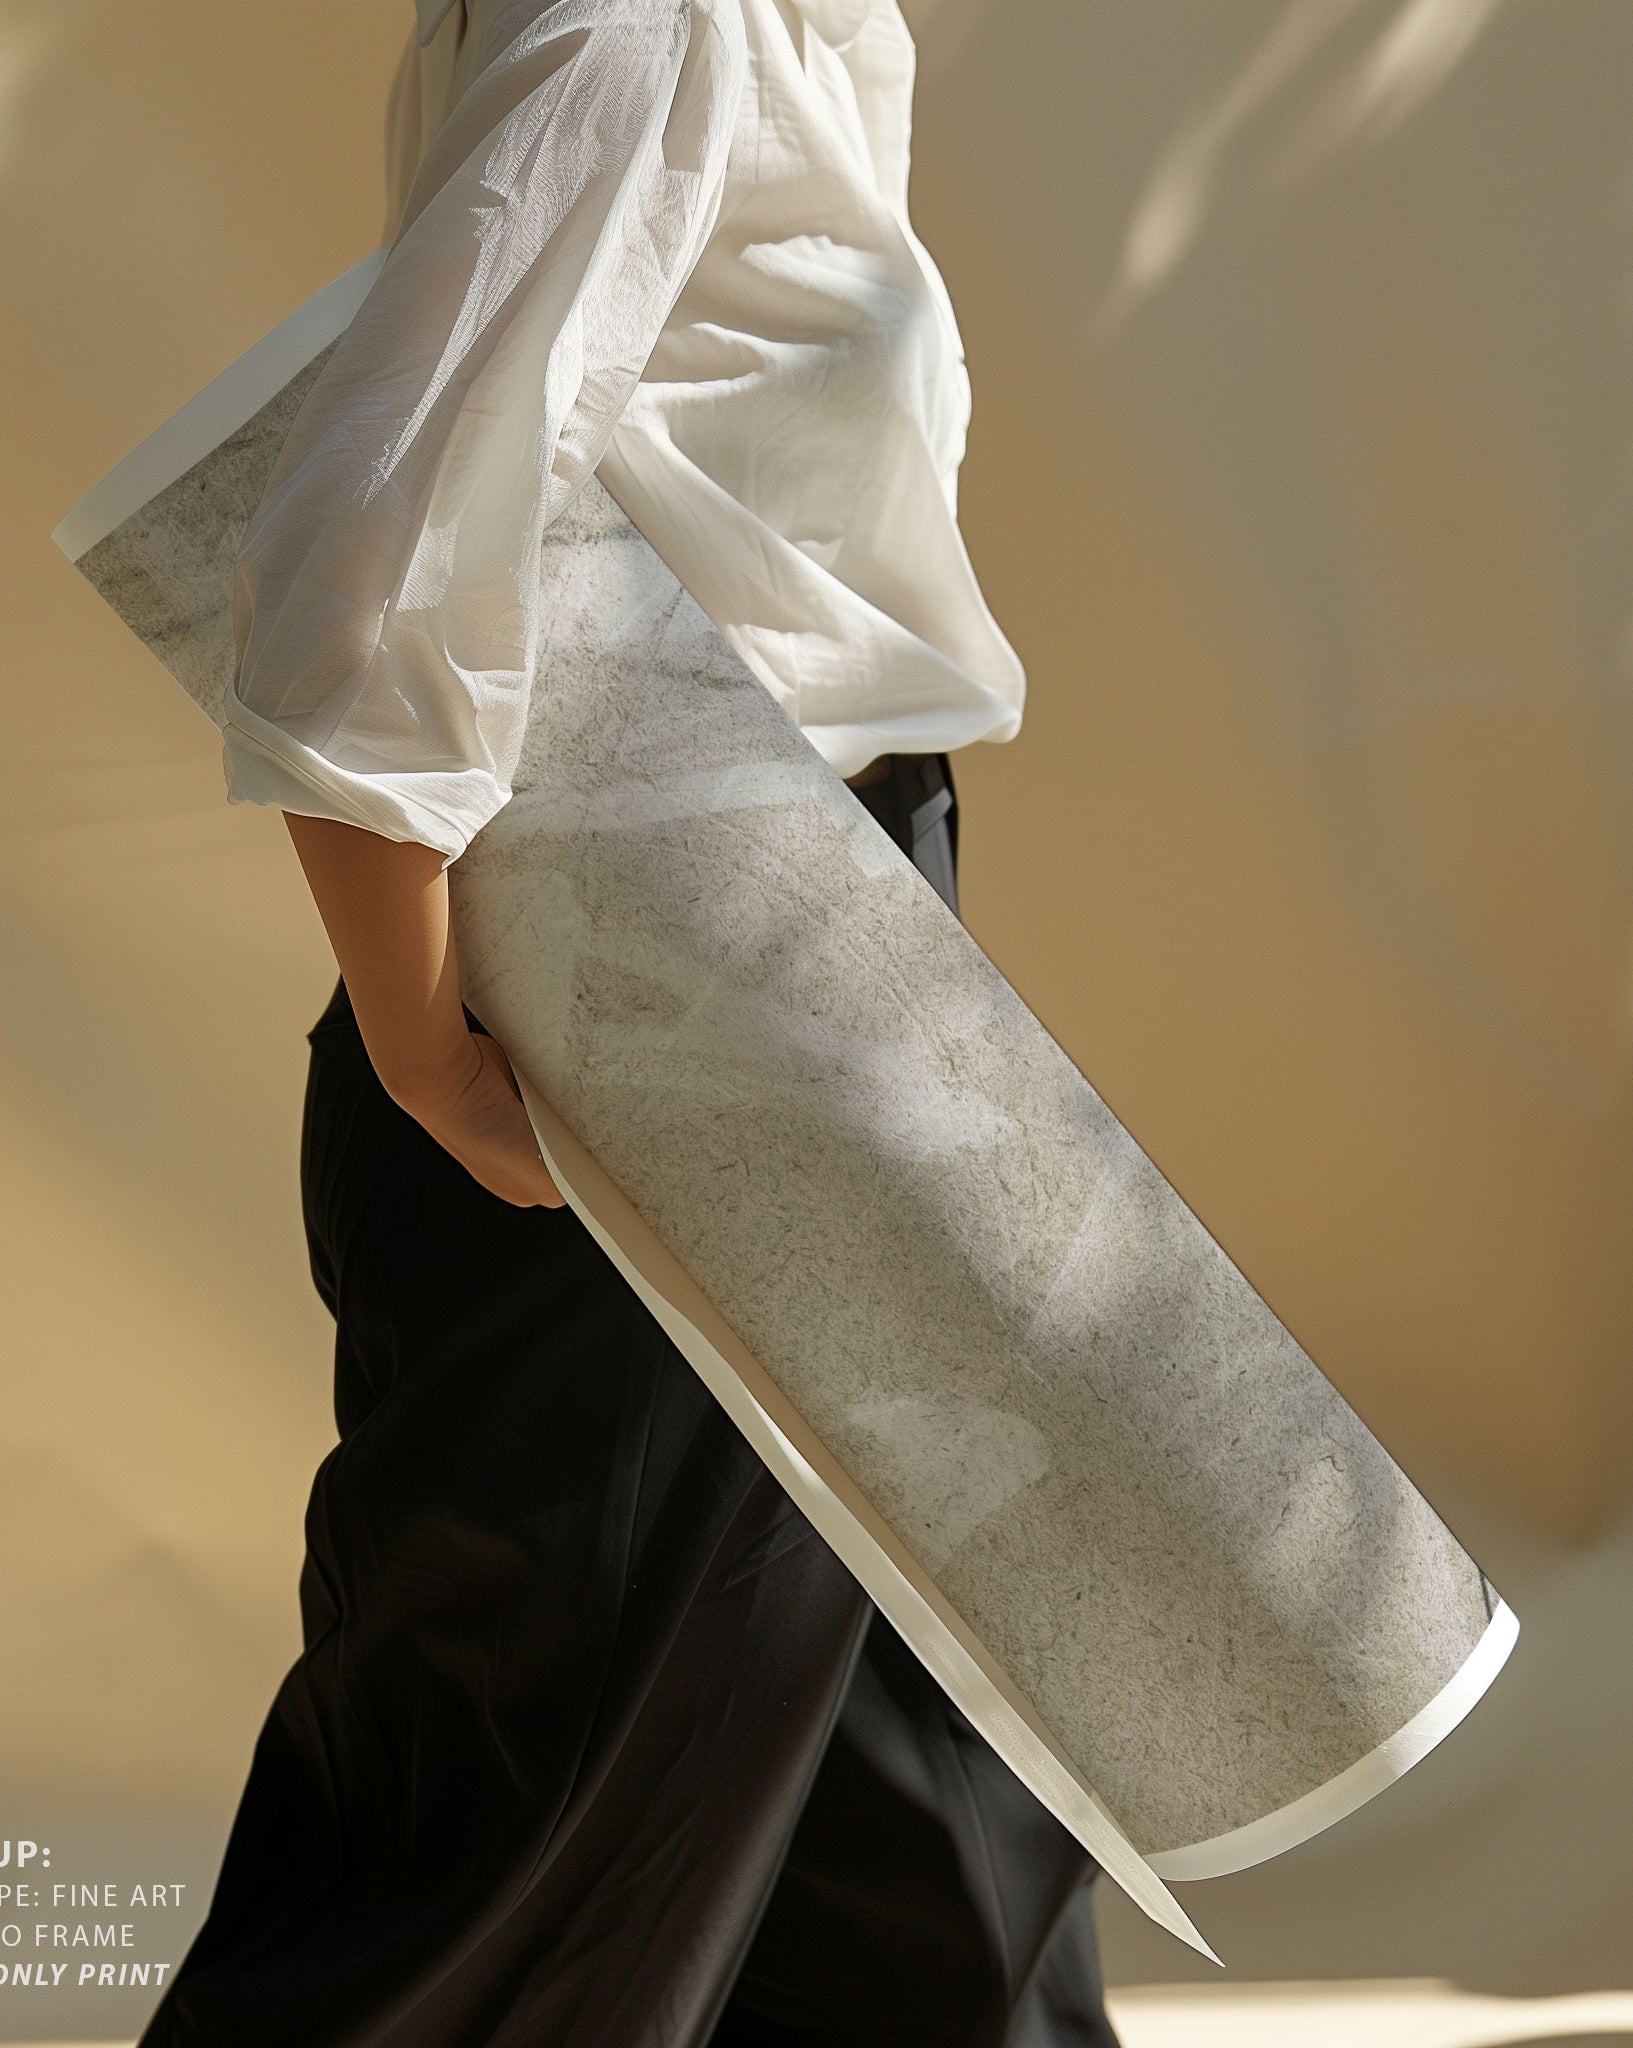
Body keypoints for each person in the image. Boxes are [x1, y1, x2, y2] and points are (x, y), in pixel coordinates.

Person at [136, 2, 1123, 2042]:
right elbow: (370, 546)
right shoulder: (648, 16)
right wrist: (425, 1049)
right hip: (652, 977)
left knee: (933, 1824)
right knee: (494, 1855)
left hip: (822, 933)